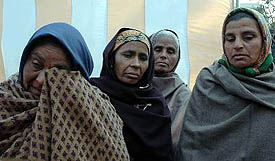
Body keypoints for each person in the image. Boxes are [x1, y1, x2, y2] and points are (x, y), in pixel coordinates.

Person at [0, 22, 129, 161]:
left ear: (78, 81)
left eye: (58, 75)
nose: (39, 81)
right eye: (36, 65)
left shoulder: (98, 116)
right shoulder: (4, 99)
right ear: (25, 60)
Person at [176, 7, 275, 161]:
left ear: (265, 40)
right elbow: (192, 143)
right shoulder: (209, 81)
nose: (237, 45)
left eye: (248, 37)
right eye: (230, 39)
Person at [90, 28, 174, 161]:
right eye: (128, 55)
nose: (136, 64)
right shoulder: (93, 93)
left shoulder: (156, 103)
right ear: (112, 59)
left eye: (143, 58)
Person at [150, 29, 191, 150]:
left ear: (177, 57)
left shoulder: (183, 95)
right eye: (158, 49)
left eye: (171, 51)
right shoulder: (134, 85)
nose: (163, 55)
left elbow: (176, 139)